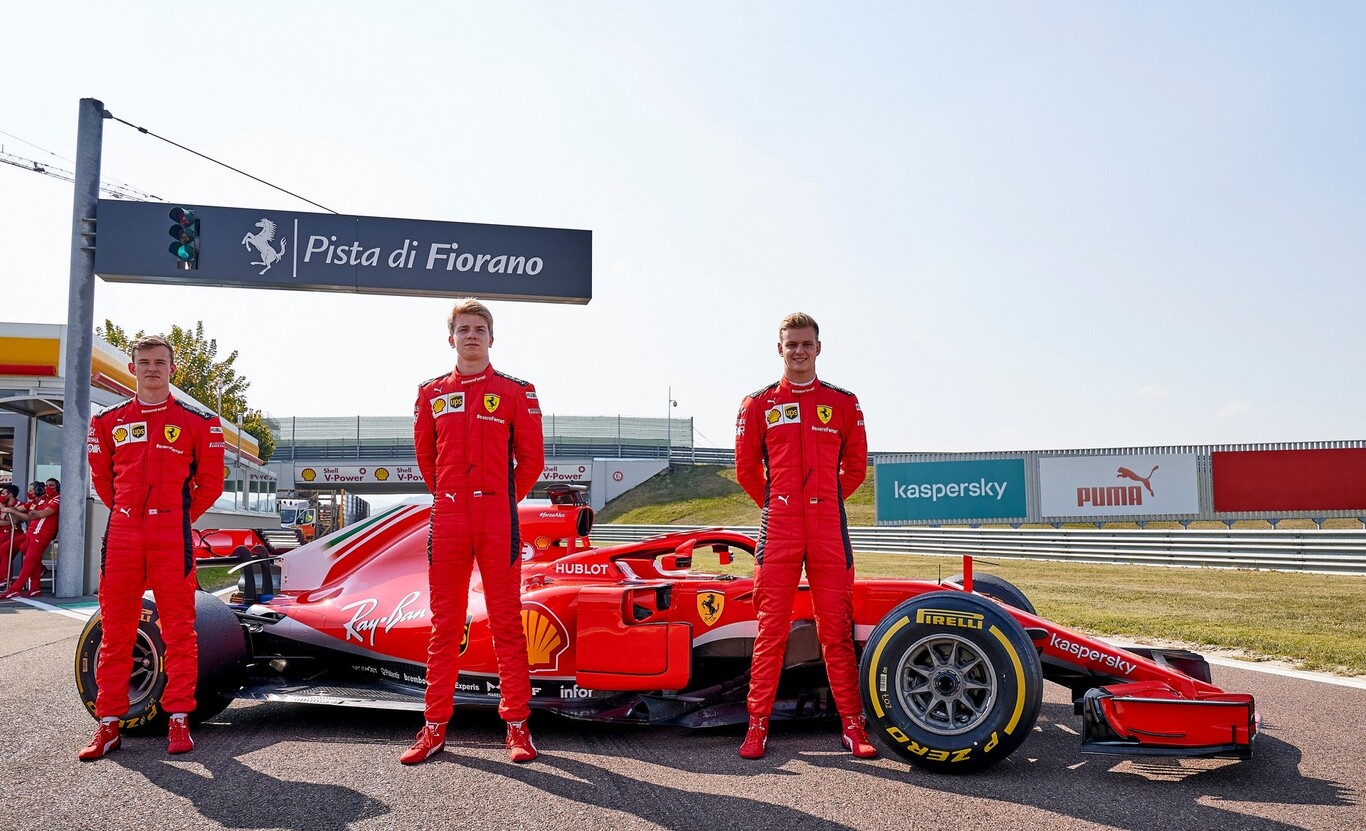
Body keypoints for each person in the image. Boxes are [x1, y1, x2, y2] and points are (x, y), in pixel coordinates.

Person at [403, 298, 545, 765]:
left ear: (491, 338)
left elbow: (532, 461)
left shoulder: (516, 391)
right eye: (463, 329)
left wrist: (499, 498)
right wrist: (452, 496)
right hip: (448, 518)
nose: (471, 336)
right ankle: (433, 727)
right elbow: (426, 459)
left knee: (507, 623)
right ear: (451, 338)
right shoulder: (430, 393)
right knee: (444, 625)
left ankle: (518, 726)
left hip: (497, 518)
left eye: (479, 329)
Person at [733, 312, 877, 760]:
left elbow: (856, 468)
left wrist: (823, 501)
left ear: (819, 347)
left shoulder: (843, 403)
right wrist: (780, 503)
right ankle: (756, 725)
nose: (799, 351)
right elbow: (746, 470)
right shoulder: (757, 404)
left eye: (806, 344)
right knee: (770, 629)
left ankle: (852, 724)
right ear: (780, 348)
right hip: (779, 527)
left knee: (836, 629)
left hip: (828, 527)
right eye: (791, 344)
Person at [78, 335, 225, 761]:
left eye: (160, 362)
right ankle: (109, 724)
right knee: (115, 631)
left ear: (172, 369)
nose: (152, 369)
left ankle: (178, 718)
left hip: (171, 534)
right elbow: (102, 479)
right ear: (132, 368)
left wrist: (176, 515)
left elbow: (211, 483)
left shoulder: (200, 422)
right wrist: (131, 513)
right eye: (144, 362)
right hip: (123, 532)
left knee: (179, 630)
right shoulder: (107, 421)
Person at [3, 478, 59, 598]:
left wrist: (33, 514)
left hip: (41, 534)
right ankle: (35, 588)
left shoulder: (57, 499)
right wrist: (9, 510)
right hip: (31, 532)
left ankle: (15, 589)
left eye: (51, 485)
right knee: (25, 550)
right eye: (46, 485)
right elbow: (28, 512)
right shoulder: (43, 499)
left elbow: (40, 514)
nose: (48, 488)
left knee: (29, 560)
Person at [0, 484, 28, 589]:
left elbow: (16, 520)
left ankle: (5, 579)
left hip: (15, 533)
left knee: (4, 550)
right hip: (2, 533)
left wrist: (5, 511)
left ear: (10, 495)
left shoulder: (21, 505)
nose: (1, 495)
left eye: (3, 493)